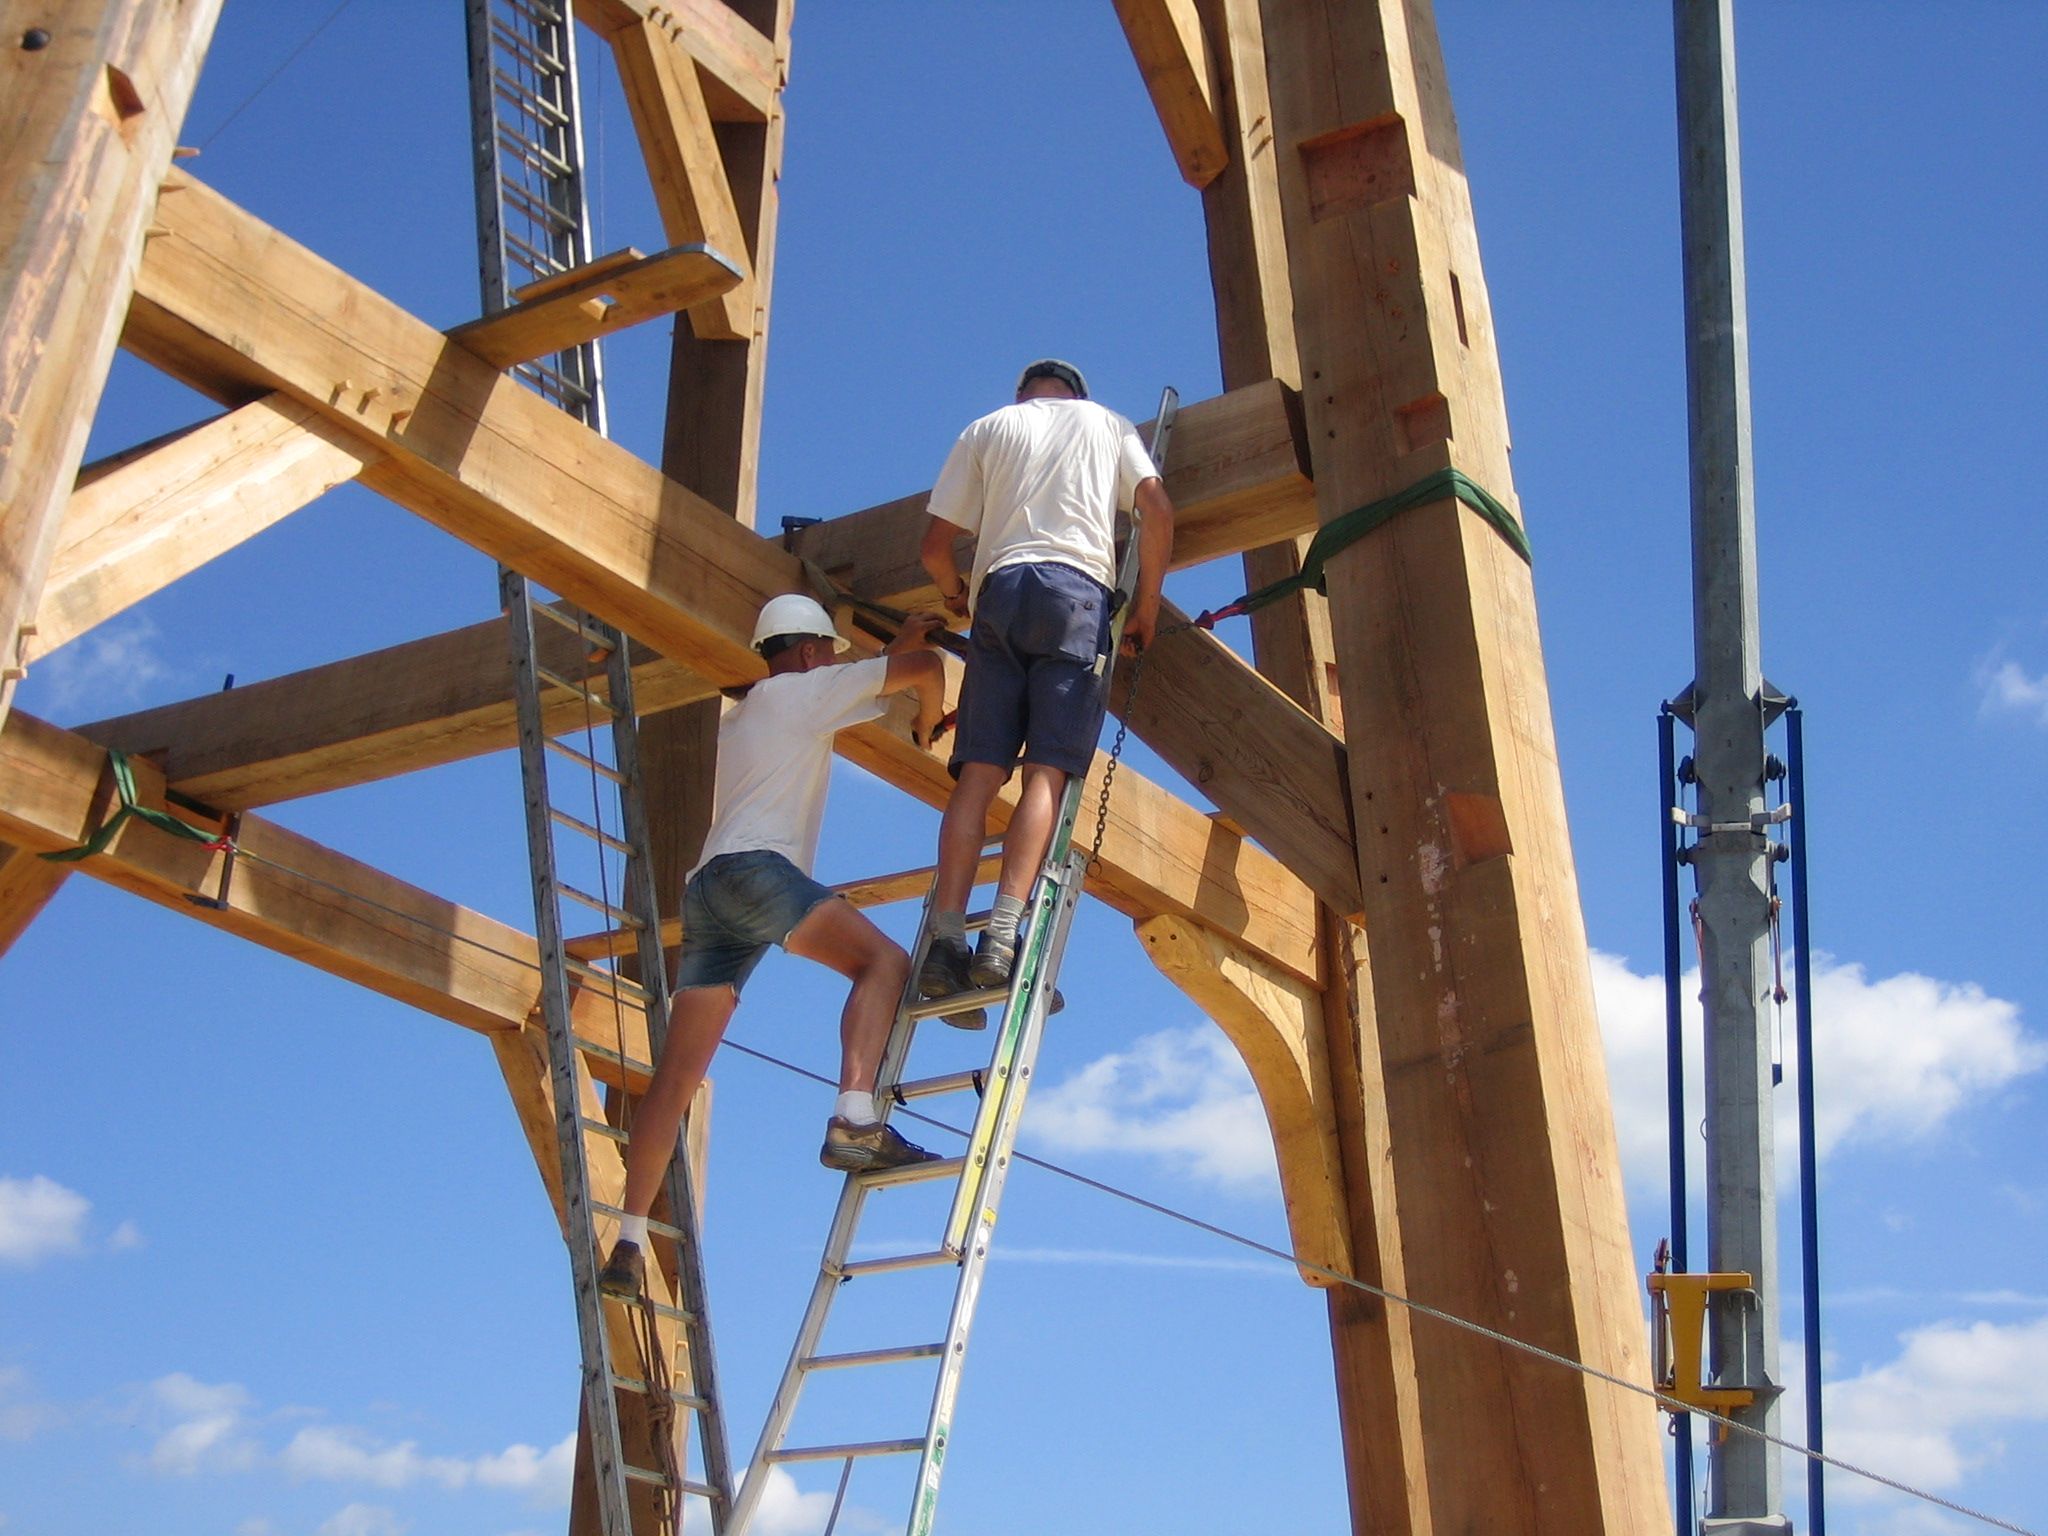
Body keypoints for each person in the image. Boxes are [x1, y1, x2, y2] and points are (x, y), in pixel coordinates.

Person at [598, 593, 955, 1299]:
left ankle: (629, 1239)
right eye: (827, 655)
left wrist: (892, 654)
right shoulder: (807, 693)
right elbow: (928, 668)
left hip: (708, 892)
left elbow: (871, 677)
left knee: (676, 1077)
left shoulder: (749, 712)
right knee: (883, 963)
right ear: (813, 651)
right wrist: (928, 721)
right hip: (759, 875)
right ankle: (855, 1118)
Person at [915, 359, 1175, 999]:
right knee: (1045, 774)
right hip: (1075, 593)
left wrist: (954, 594)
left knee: (977, 776)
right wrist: (1145, 608)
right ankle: (1003, 935)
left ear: (1022, 396)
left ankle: (945, 941)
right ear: (1078, 396)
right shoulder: (1108, 424)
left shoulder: (989, 428)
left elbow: (933, 548)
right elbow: (1157, 509)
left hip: (999, 593)